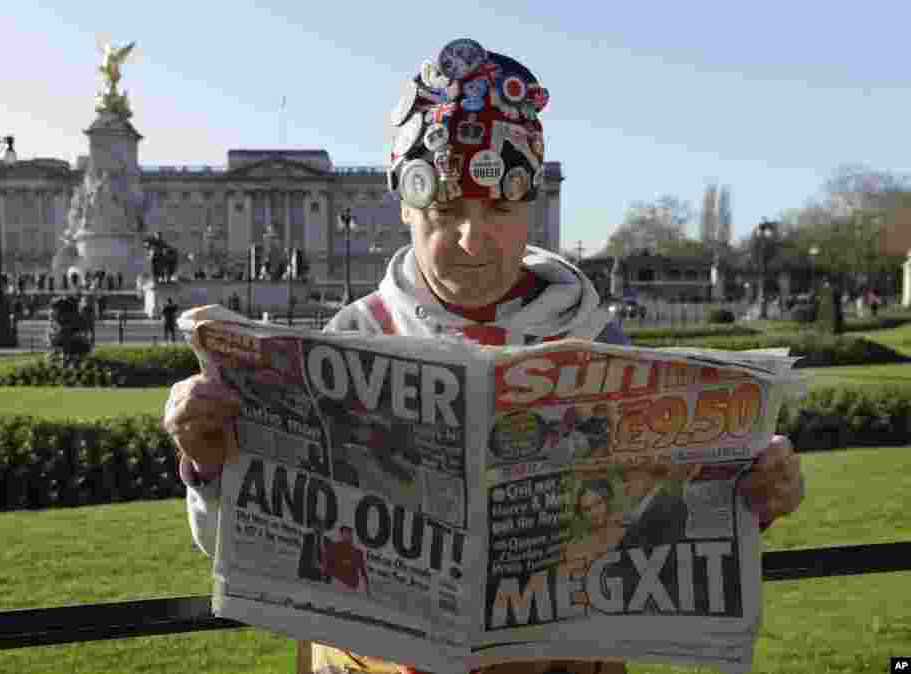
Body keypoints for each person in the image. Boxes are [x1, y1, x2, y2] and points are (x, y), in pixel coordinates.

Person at [163, 38, 806, 674]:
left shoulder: (598, 342)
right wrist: (208, 465)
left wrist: (748, 499)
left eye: (498, 208)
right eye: (446, 210)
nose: (473, 238)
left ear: (529, 206)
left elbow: (654, 534)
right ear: (407, 210)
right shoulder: (350, 332)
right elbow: (239, 548)